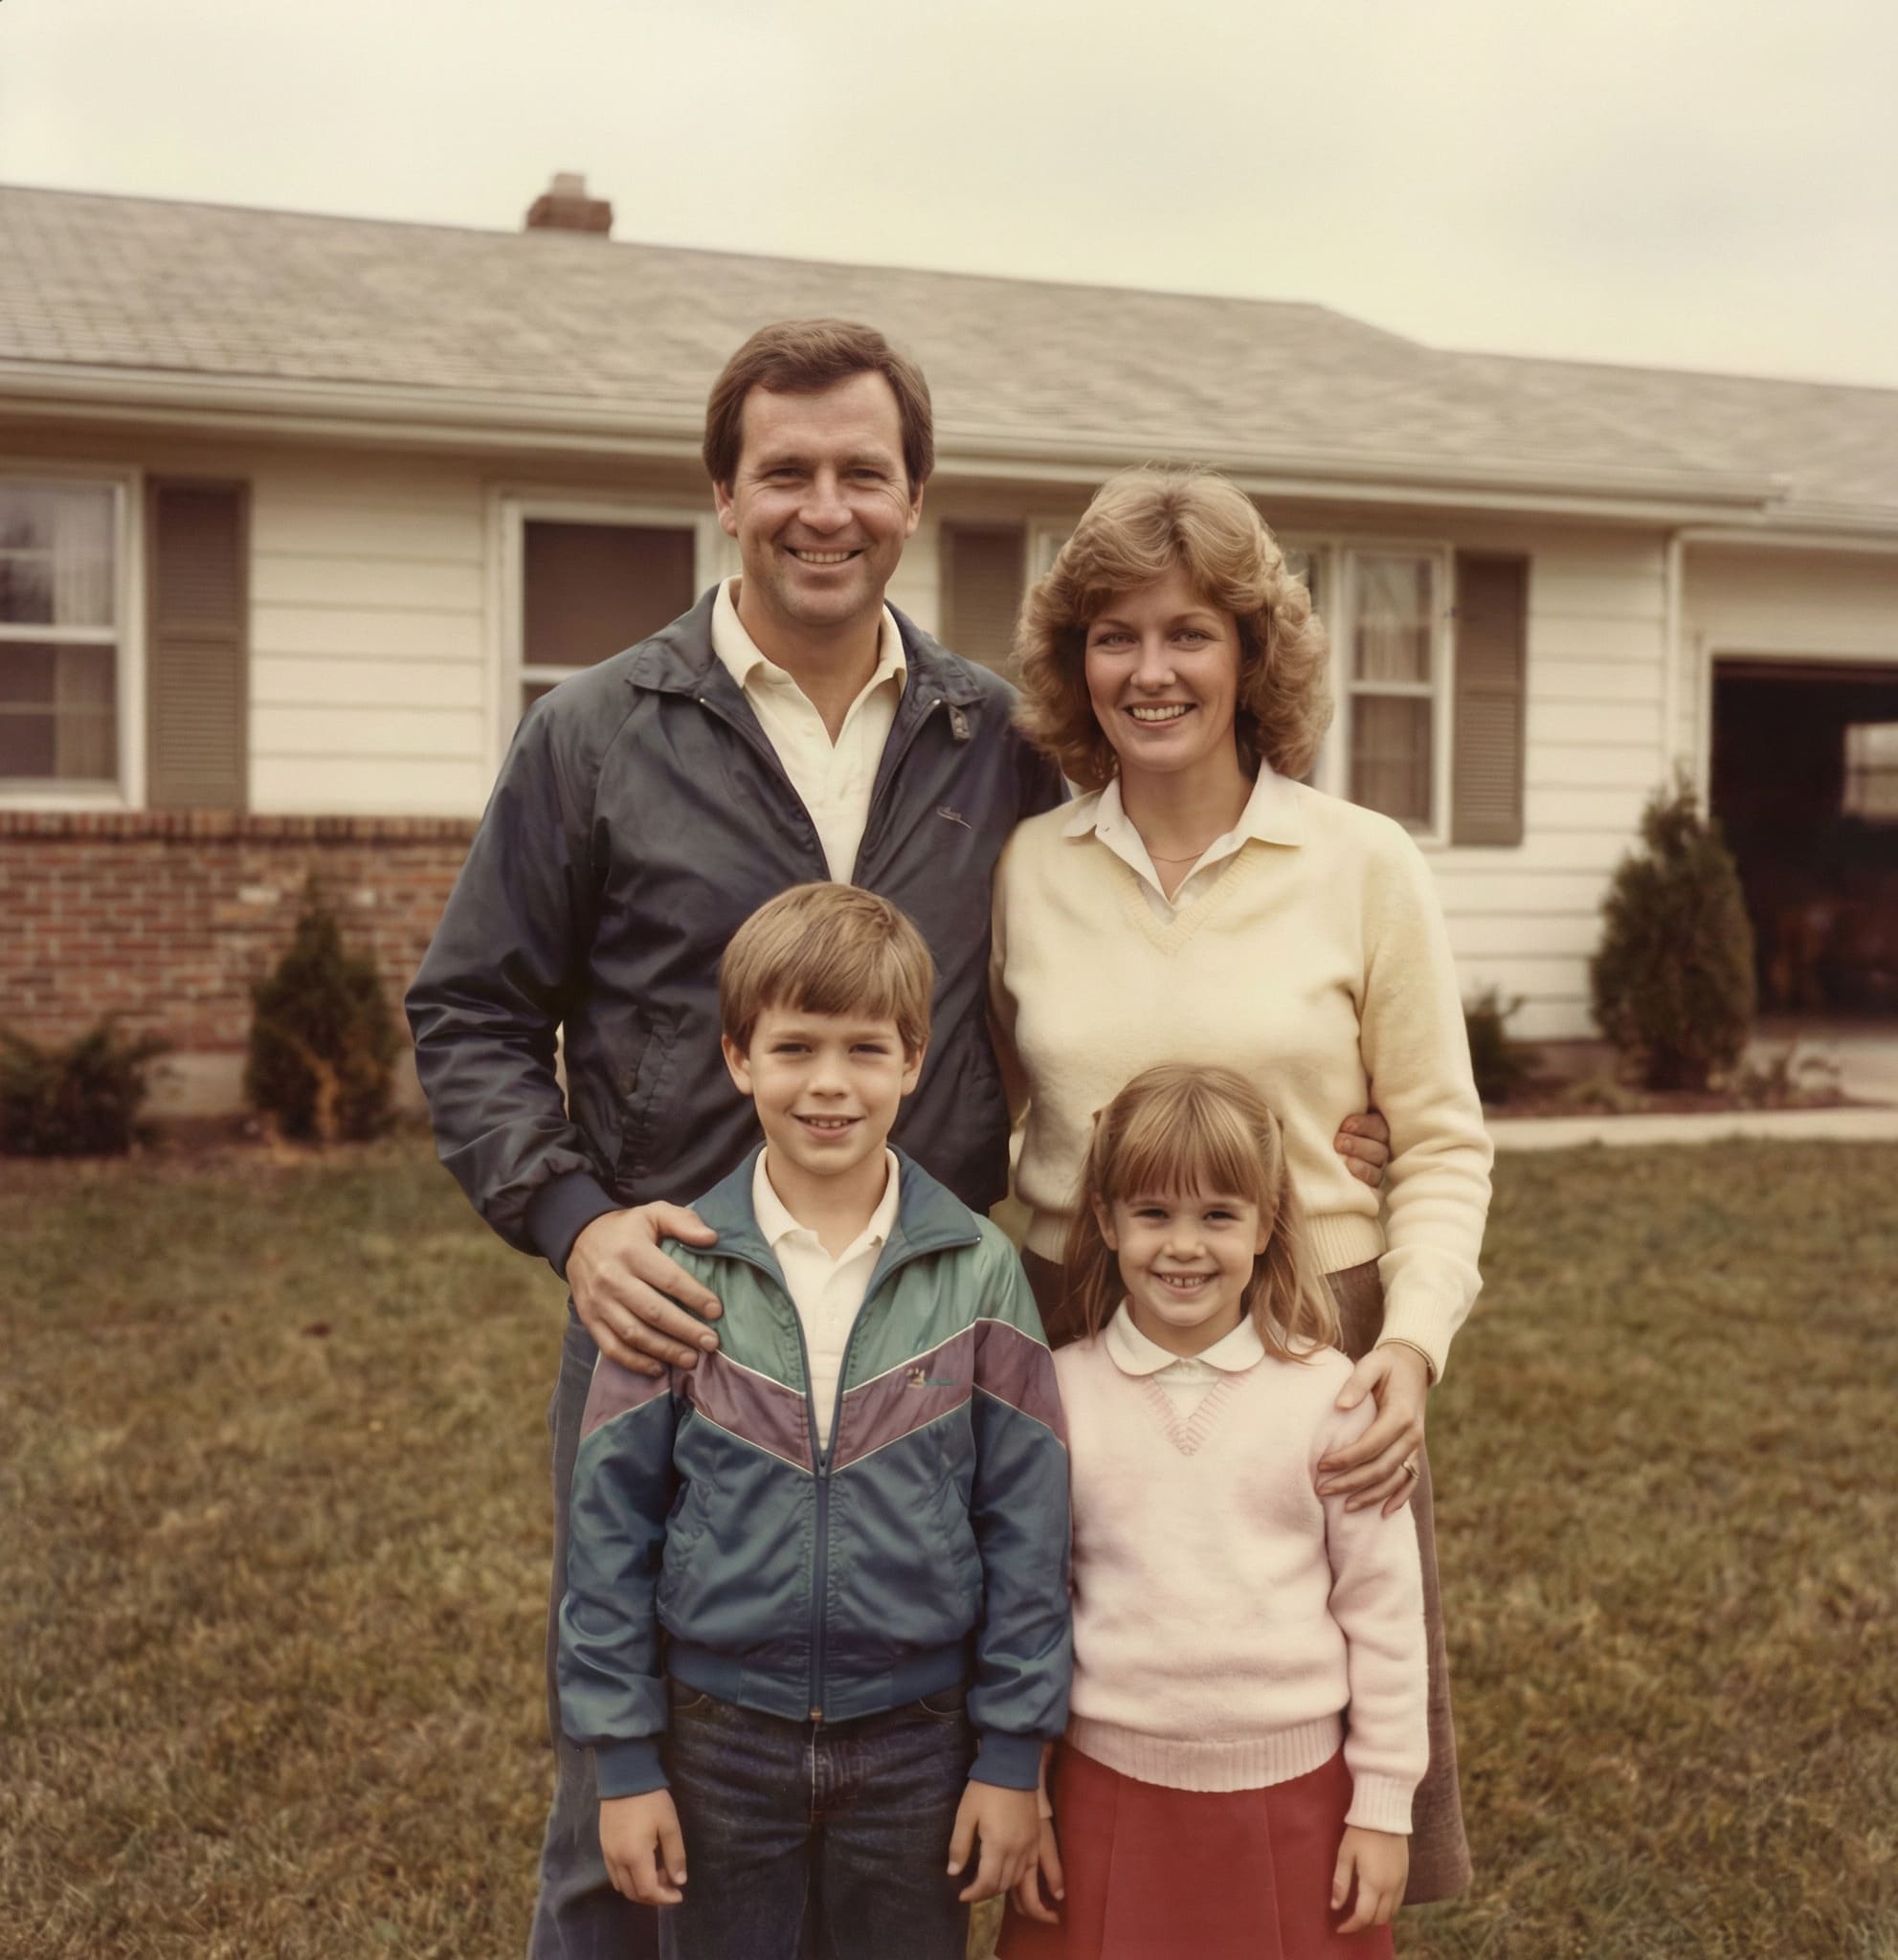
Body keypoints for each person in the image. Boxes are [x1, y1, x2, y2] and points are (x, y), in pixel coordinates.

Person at [405, 322, 1389, 1955]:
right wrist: (578, 1221)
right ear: (722, 490)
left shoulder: (994, 739)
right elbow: (471, 1014)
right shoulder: (595, 734)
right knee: (621, 1813)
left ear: (914, 497)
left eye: (861, 469)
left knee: (909, 1798)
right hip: (678, 1316)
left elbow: (1131, 925)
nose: (824, 504)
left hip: (939, 1327)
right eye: (783, 468)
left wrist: (1307, 1106)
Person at [989, 465, 1491, 1901]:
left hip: (1315, 1322)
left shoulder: (1362, 864)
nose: (1152, 672)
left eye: (1191, 632)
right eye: (1115, 636)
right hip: (1071, 1322)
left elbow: (1443, 1141)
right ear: (1074, 662)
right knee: (1086, 1694)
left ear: (1253, 653)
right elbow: (970, 1119)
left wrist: (1408, 1344)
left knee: (1319, 1702)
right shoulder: (1027, 869)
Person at [556, 882, 1070, 1960]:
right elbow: (607, 1531)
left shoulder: (975, 1267)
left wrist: (1011, 1751)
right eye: (793, 1047)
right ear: (739, 1056)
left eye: (863, 1049)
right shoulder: (679, 1271)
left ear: (914, 1059)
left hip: (920, 1743)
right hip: (717, 1739)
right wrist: (624, 1760)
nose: (828, 1083)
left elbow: (1028, 1526)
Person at [999, 1064, 1425, 1960]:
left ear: (1268, 1223)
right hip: (1101, 1791)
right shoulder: (1058, 1395)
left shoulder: (1331, 1399)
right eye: (1153, 1214)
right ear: (1108, 1221)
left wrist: (1383, 1807)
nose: (1183, 1246)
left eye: (1218, 1216)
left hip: (1298, 1797)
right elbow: (1023, 1605)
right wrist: (1026, 1788)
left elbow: (1384, 1617)